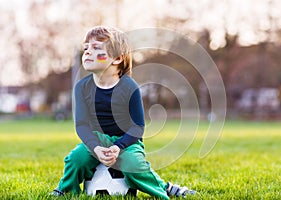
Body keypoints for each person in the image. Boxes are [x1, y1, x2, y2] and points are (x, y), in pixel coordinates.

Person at [51, 26, 194, 199]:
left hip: (127, 142)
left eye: (96, 48)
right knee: (76, 159)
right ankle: (64, 190)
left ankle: (165, 188)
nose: (87, 52)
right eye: (86, 47)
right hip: (97, 139)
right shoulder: (81, 88)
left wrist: (118, 147)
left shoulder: (129, 87)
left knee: (132, 164)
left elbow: (138, 127)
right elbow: (81, 125)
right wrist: (96, 148)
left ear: (117, 58)